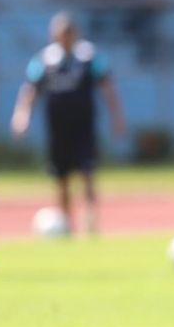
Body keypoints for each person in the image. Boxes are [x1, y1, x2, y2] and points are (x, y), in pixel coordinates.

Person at [10, 12, 125, 234]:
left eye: (69, 33)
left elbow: (108, 87)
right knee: (61, 177)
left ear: (76, 34)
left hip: (84, 126)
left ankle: (91, 220)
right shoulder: (44, 60)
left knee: (87, 172)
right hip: (58, 128)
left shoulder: (89, 57)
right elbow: (30, 90)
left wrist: (117, 117)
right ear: (54, 35)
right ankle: (66, 223)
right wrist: (22, 115)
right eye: (61, 34)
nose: (66, 38)